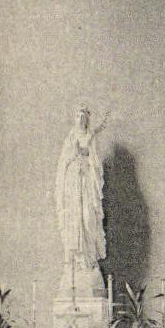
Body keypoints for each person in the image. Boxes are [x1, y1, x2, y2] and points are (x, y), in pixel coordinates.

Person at [54, 107, 106, 271]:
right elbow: (64, 162)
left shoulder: (91, 138)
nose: (81, 120)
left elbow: (96, 162)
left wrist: (88, 160)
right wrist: (74, 155)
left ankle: (89, 259)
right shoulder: (70, 138)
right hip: (73, 185)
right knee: (74, 219)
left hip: (87, 185)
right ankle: (76, 260)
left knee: (88, 218)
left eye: (84, 117)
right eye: (78, 117)